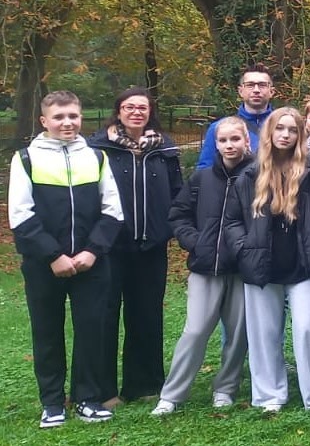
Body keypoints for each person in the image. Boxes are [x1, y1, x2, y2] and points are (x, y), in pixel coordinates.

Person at [9, 91, 123, 428]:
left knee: (92, 331)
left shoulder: (97, 158)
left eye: (73, 115)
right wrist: (54, 255)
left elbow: (112, 212)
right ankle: (52, 403)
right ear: (44, 121)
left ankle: (87, 398)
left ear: (81, 117)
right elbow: (20, 216)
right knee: (47, 333)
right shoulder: (26, 158)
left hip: (91, 264)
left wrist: (91, 251)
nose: (67, 122)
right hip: (44, 266)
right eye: (59, 117)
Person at [224, 106, 310, 412]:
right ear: (269, 132)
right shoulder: (249, 173)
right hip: (261, 263)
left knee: (306, 329)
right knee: (263, 334)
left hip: (304, 263)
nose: (286, 135)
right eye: (280, 129)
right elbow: (233, 219)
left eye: (292, 130)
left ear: (300, 134)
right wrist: (243, 246)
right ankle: (269, 397)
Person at [88, 86, 182, 406]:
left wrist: (169, 227)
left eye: (142, 107)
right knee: (105, 316)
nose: (136, 112)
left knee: (146, 315)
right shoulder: (99, 148)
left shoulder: (164, 149)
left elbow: (178, 192)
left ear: (150, 112)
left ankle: (143, 385)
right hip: (110, 247)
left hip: (151, 246)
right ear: (119, 111)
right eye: (129, 107)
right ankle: (103, 391)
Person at [154, 116, 254, 415]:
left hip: (241, 269)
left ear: (246, 141)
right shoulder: (202, 178)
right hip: (204, 267)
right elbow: (178, 214)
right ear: (216, 144)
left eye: (235, 139)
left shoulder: (257, 175)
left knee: (238, 334)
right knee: (195, 330)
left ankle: (226, 388)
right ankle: (172, 395)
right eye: (223, 140)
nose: (229, 145)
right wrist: (195, 241)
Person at [195, 63, 276, 168]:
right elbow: (205, 171)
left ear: (271, 91)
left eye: (262, 85)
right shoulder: (219, 128)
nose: (256, 90)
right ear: (241, 91)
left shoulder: (283, 127)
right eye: (250, 85)